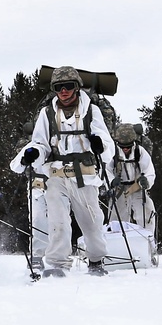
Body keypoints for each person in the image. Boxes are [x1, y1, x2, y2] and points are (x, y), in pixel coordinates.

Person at [19, 66, 115, 276]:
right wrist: (33, 153)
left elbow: (106, 141)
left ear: (77, 87)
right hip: (56, 176)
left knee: (91, 223)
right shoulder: (47, 113)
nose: (64, 91)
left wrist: (101, 145)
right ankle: (57, 264)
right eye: (58, 87)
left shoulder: (92, 110)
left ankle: (96, 260)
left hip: (85, 176)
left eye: (68, 86)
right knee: (58, 222)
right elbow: (40, 142)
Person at [10, 137, 50, 272]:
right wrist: (25, 158)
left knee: (60, 220)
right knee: (37, 219)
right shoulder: (32, 143)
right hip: (37, 184)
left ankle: (59, 255)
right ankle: (37, 256)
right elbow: (15, 166)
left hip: (60, 181)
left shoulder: (62, 137)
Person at [107, 123, 156, 228]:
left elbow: (149, 170)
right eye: (122, 146)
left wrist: (146, 181)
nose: (125, 149)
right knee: (117, 221)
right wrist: (111, 181)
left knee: (146, 215)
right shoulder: (113, 152)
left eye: (128, 146)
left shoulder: (140, 151)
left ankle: (148, 241)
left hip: (136, 188)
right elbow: (106, 170)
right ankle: (118, 243)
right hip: (119, 190)